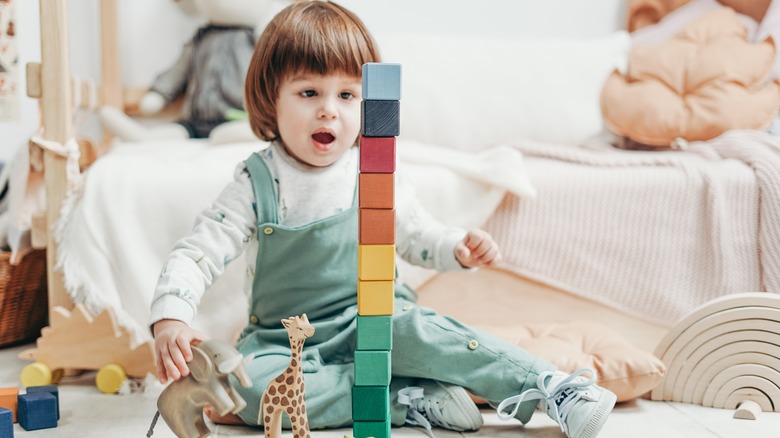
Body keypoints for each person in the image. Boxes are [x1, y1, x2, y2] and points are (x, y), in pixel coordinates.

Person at [149, 2, 617, 438]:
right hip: (286, 339)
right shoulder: (256, 182)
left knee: (421, 331)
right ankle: (405, 397)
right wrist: (170, 316)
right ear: (272, 99)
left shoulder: (371, 170)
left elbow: (416, 233)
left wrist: (456, 247)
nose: (329, 108)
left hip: (373, 318)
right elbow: (199, 250)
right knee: (255, 395)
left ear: (367, 103)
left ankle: (552, 388)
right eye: (309, 92)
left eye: (347, 94)